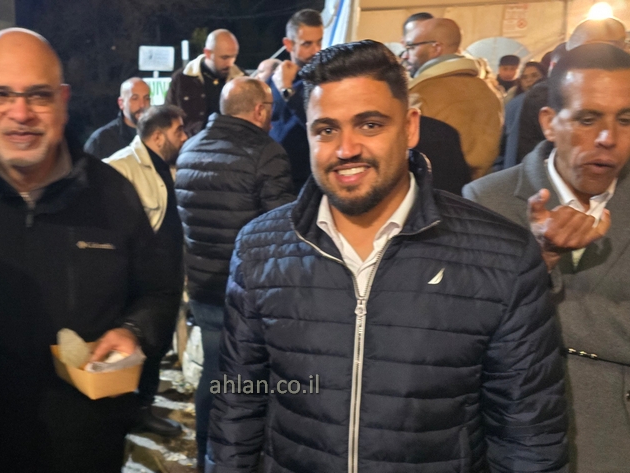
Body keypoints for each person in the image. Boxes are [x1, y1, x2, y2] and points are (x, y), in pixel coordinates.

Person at [208, 40, 567, 472]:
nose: (346, 148)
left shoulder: (501, 256)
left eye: (370, 125)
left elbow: (528, 435)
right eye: (326, 130)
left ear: (410, 127)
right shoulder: (260, 248)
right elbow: (237, 404)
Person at [0, 28, 180, 472]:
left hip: (86, 452)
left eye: (38, 95)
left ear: (63, 99)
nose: (20, 113)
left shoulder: (112, 193)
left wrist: (135, 331)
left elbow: (158, 290)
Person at [464, 43, 630, 471]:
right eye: (587, 119)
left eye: (625, 119)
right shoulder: (486, 200)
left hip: (624, 449)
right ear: (549, 123)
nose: (608, 138)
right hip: (508, 443)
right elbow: (469, 327)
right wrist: (541, 261)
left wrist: (529, 308)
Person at [175, 76, 295, 468]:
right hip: (250, 292)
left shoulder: (190, 148)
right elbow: (282, 229)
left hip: (203, 286)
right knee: (251, 382)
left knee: (214, 371)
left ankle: (206, 455)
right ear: (260, 110)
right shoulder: (266, 153)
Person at [103, 105, 188, 437]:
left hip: (166, 280)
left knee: (157, 345)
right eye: (179, 131)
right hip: (138, 284)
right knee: (135, 350)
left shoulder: (167, 167)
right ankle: (124, 416)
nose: (185, 137)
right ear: (158, 136)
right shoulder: (119, 167)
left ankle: (144, 410)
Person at [510, 20, 627, 172]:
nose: (625, 53)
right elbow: (536, 154)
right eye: (616, 45)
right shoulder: (547, 94)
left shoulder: (621, 91)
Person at [403, 18, 503, 179]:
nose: (406, 55)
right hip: (478, 186)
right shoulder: (487, 90)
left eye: (411, 47)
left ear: (436, 48)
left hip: (435, 188)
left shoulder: (423, 93)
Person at [268, 8, 324, 188]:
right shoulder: (273, 81)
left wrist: (286, 90)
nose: (316, 50)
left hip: (308, 179)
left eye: (319, 42)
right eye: (307, 44)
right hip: (272, 177)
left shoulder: (325, 81)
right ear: (288, 44)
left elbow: (317, 122)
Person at [166, 29, 244, 136]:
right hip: (191, 143)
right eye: (224, 57)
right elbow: (168, 116)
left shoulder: (242, 80)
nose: (230, 63)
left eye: (234, 56)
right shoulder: (182, 79)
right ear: (207, 53)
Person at [84, 77, 150, 159]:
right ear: (121, 103)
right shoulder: (101, 140)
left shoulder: (157, 137)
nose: (142, 105)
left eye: (146, 98)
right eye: (135, 98)